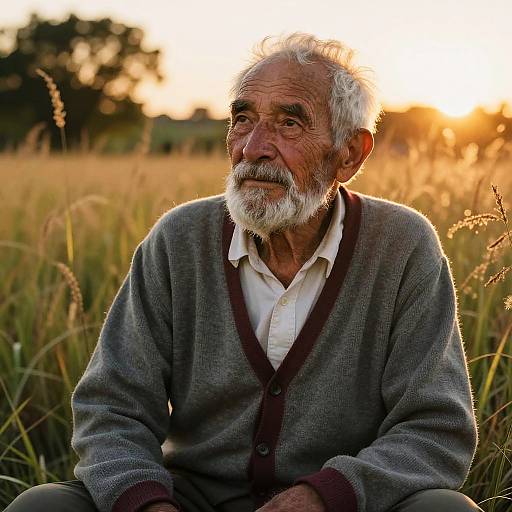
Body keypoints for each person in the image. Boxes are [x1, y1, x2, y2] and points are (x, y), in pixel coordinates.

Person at [6, 33, 482, 512]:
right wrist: (148, 503)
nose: (254, 148)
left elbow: (437, 428)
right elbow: (111, 408)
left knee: (446, 510)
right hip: (187, 501)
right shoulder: (179, 240)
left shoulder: (402, 247)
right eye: (243, 119)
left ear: (350, 154)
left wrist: (326, 495)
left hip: (339, 508)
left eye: (289, 123)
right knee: (40, 506)